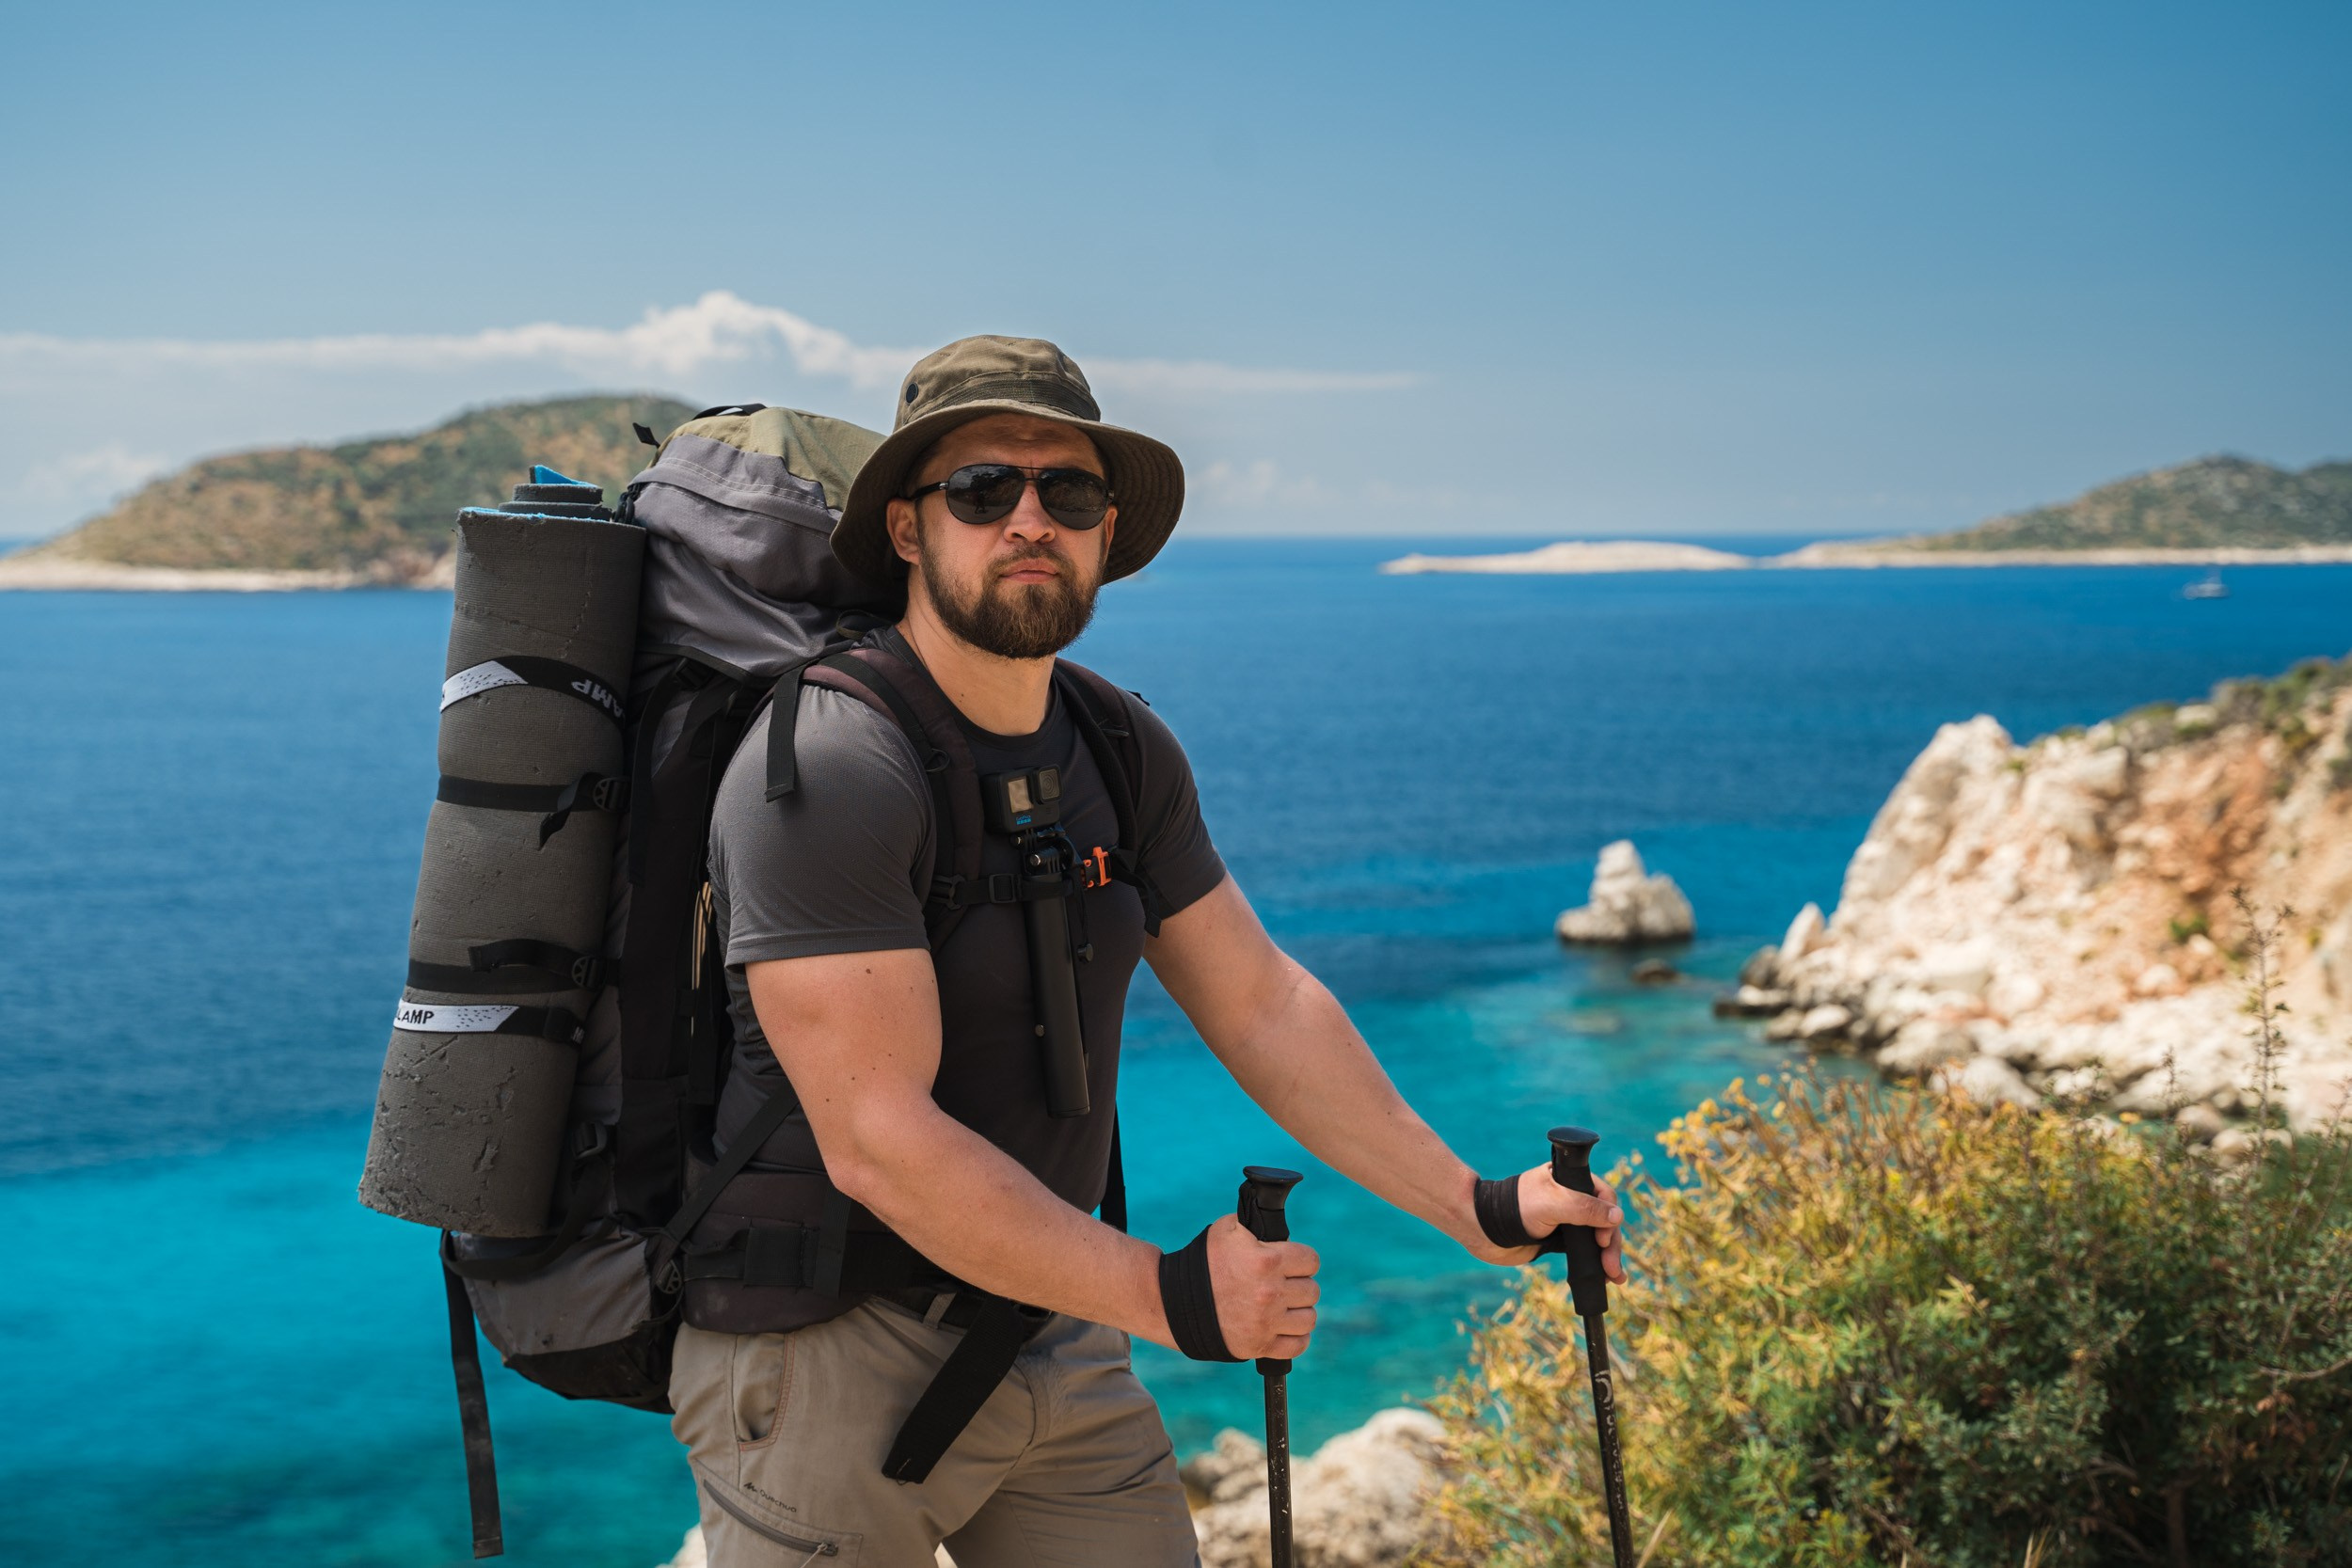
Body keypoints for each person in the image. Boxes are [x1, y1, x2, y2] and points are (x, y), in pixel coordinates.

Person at [668, 336, 1627, 1567]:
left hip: (1044, 1322)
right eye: (981, 489)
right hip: (820, 1353)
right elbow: (878, 1144)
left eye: (1066, 493)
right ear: (907, 530)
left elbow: (1263, 1005)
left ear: (1107, 530)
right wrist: (1169, 1297)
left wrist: (1476, 1207)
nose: (1030, 519)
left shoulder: (1115, 748)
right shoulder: (833, 767)